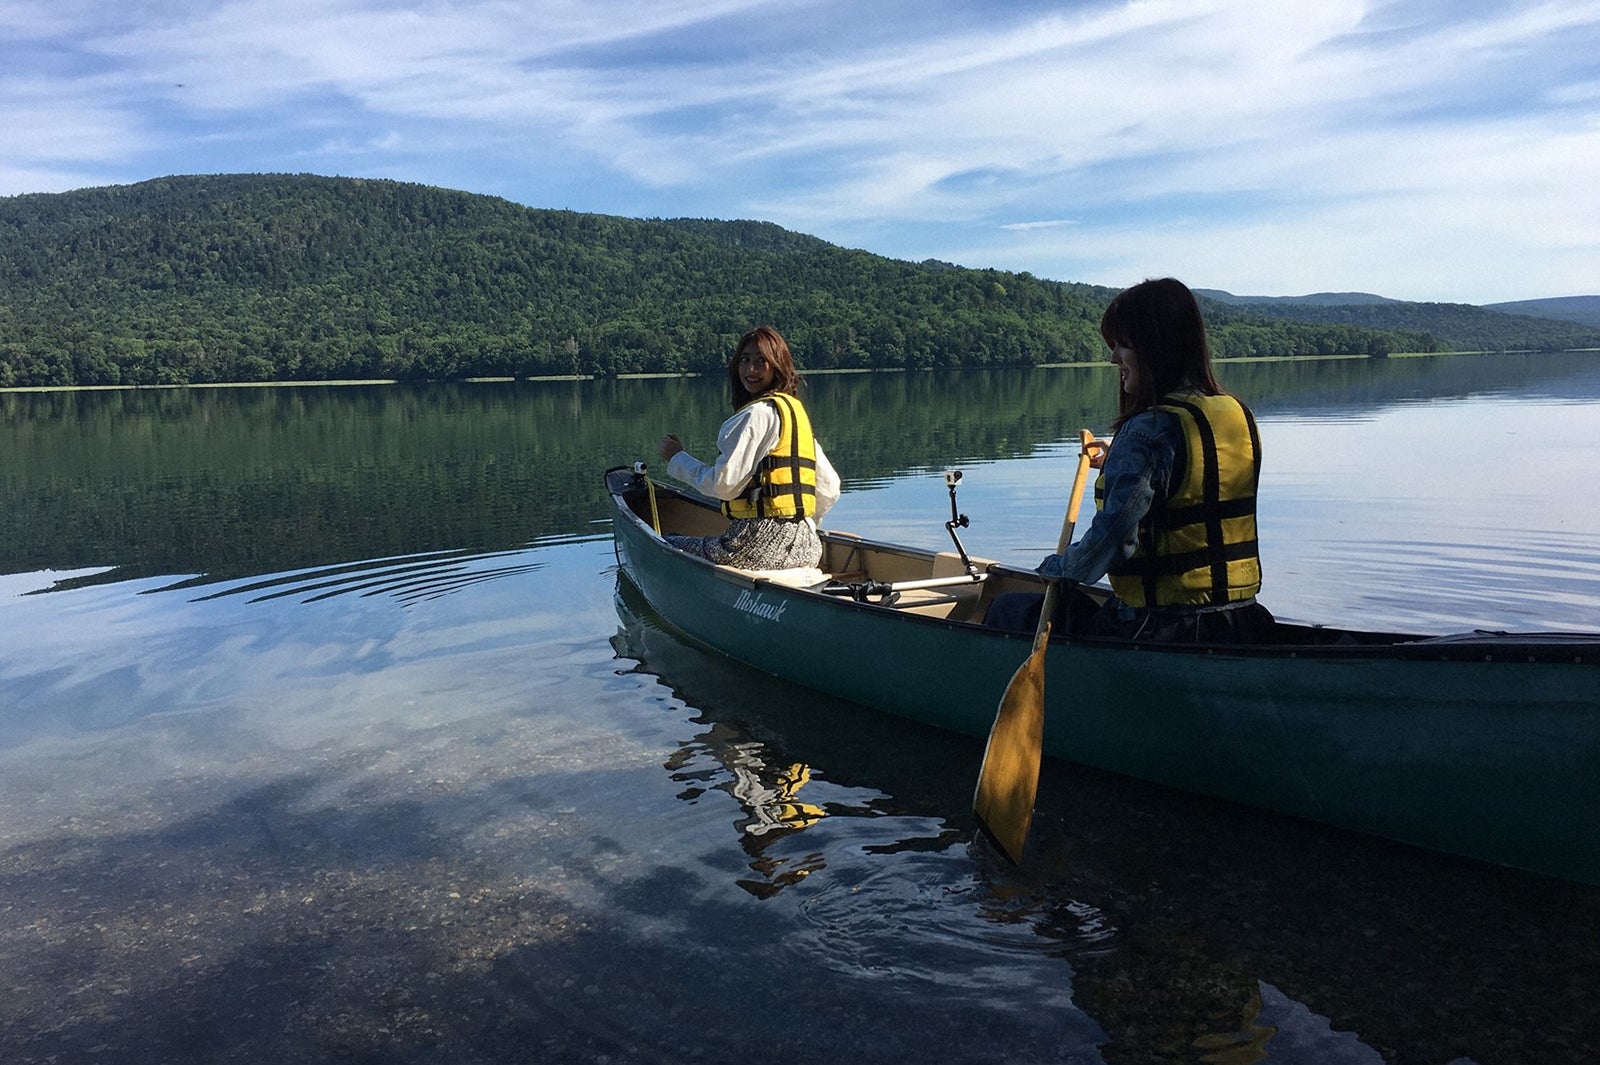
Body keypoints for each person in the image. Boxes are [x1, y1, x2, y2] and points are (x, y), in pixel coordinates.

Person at [988, 277, 1274, 643]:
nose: (1114, 359)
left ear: (1156, 347)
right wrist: (1119, 458)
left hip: (1160, 627)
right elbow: (1191, 477)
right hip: (1243, 621)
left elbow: (1113, 540)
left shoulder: (1147, 431)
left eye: (1123, 345)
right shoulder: (1236, 414)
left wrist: (1059, 567)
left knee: (1007, 609)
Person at [657, 325, 840, 569]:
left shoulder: (755, 414)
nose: (750, 369)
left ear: (777, 365)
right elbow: (830, 487)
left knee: (666, 541)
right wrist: (801, 524)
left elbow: (724, 485)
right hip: (807, 547)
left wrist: (677, 458)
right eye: (744, 360)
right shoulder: (794, 416)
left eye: (761, 361)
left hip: (756, 545)